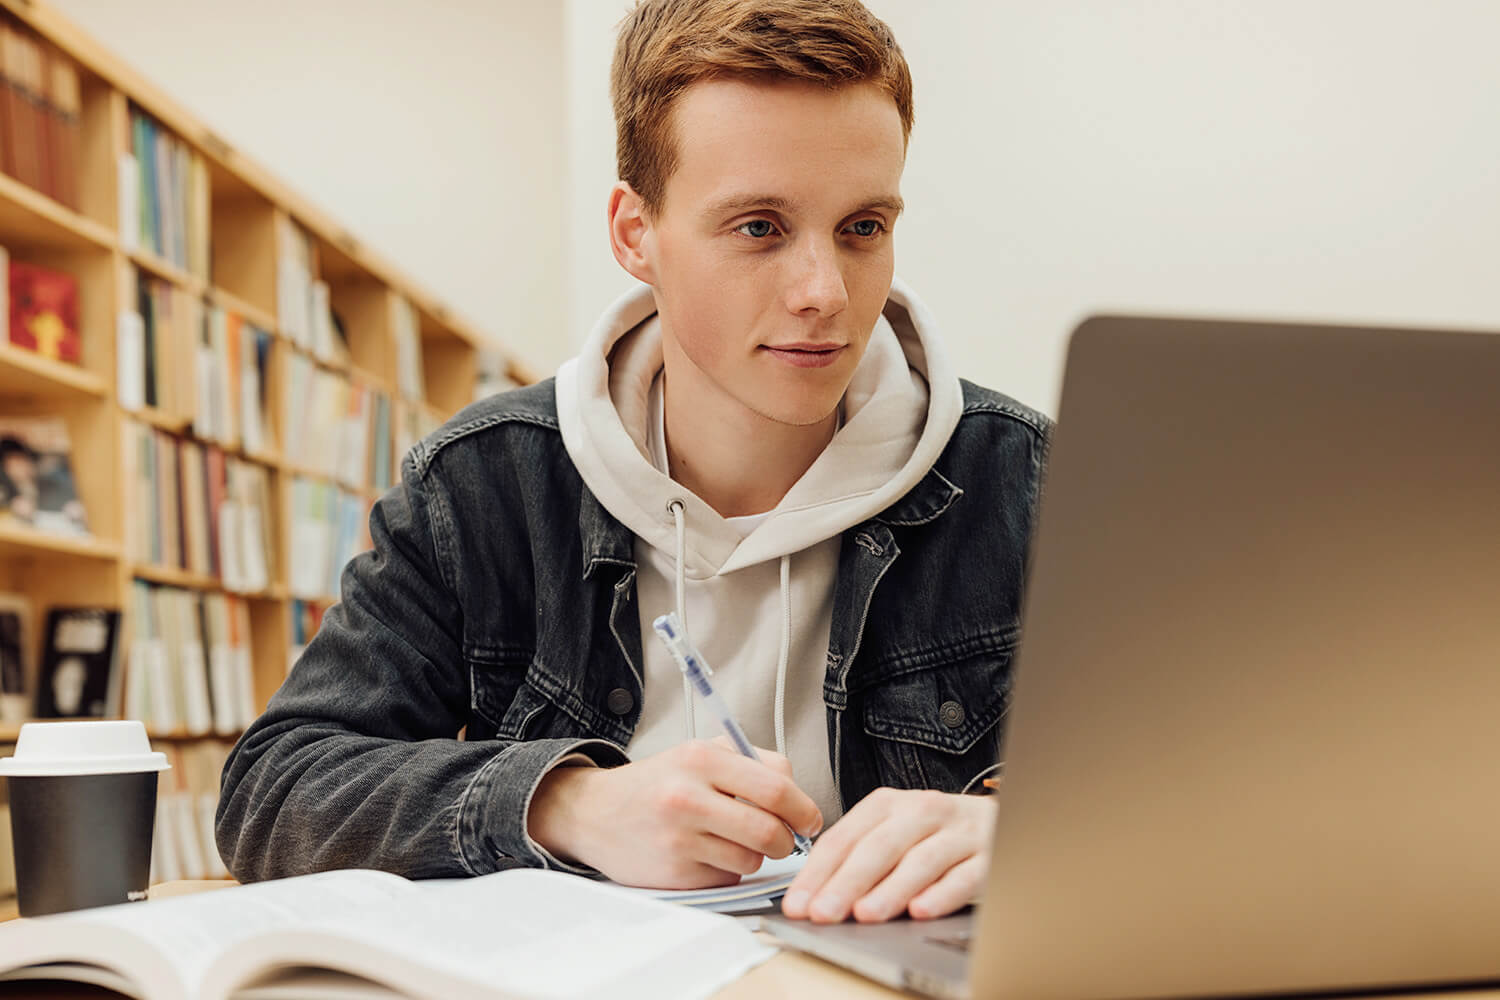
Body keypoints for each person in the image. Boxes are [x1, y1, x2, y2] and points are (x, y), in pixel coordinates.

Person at [217, 0, 1050, 926]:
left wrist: (1030, 827)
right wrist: (567, 803)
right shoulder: (483, 486)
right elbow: (273, 790)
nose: (824, 294)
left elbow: (1210, 775)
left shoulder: (1026, 480)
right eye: (759, 228)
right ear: (634, 234)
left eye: (862, 228)